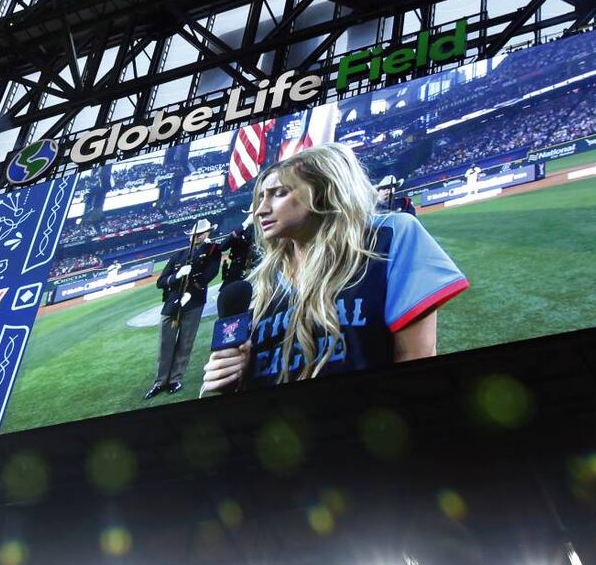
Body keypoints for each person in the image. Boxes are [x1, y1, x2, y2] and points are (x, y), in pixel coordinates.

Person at [201, 144, 469, 393]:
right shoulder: (263, 280)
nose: (260, 210)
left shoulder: (388, 238)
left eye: (279, 193)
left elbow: (415, 356)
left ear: (325, 190)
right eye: (260, 197)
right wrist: (241, 370)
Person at [145, 218, 221, 399]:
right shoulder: (178, 256)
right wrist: (177, 276)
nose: (198, 237)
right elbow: (161, 282)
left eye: (202, 234)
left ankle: (175, 379)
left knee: (185, 342)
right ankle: (160, 381)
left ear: (208, 233)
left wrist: (191, 293)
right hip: (172, 304)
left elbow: (209, 274)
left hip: (193, 302)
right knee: (166, 343)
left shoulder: (212, 250)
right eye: (195, 235)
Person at [219, 213, 257, 288]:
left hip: (254, 273)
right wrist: (244, 225)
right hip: (235, 272)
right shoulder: (241, 230)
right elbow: (222, 247)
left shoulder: (262, 232)